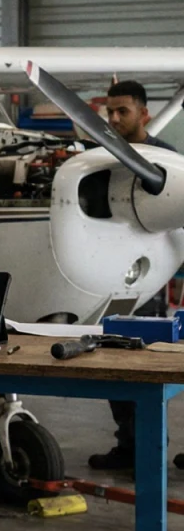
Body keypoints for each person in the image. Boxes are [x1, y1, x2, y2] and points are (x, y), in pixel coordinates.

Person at [90, 80, 177, 470]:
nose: (113, 119)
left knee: (149, 366)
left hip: (152, 277)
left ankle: (151, 446)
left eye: (122, 111)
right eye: (109, 112)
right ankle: (130, 445)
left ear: (144, 113)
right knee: (115, 363)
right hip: (111, 277)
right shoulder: (100, 158)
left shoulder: (168, 162)